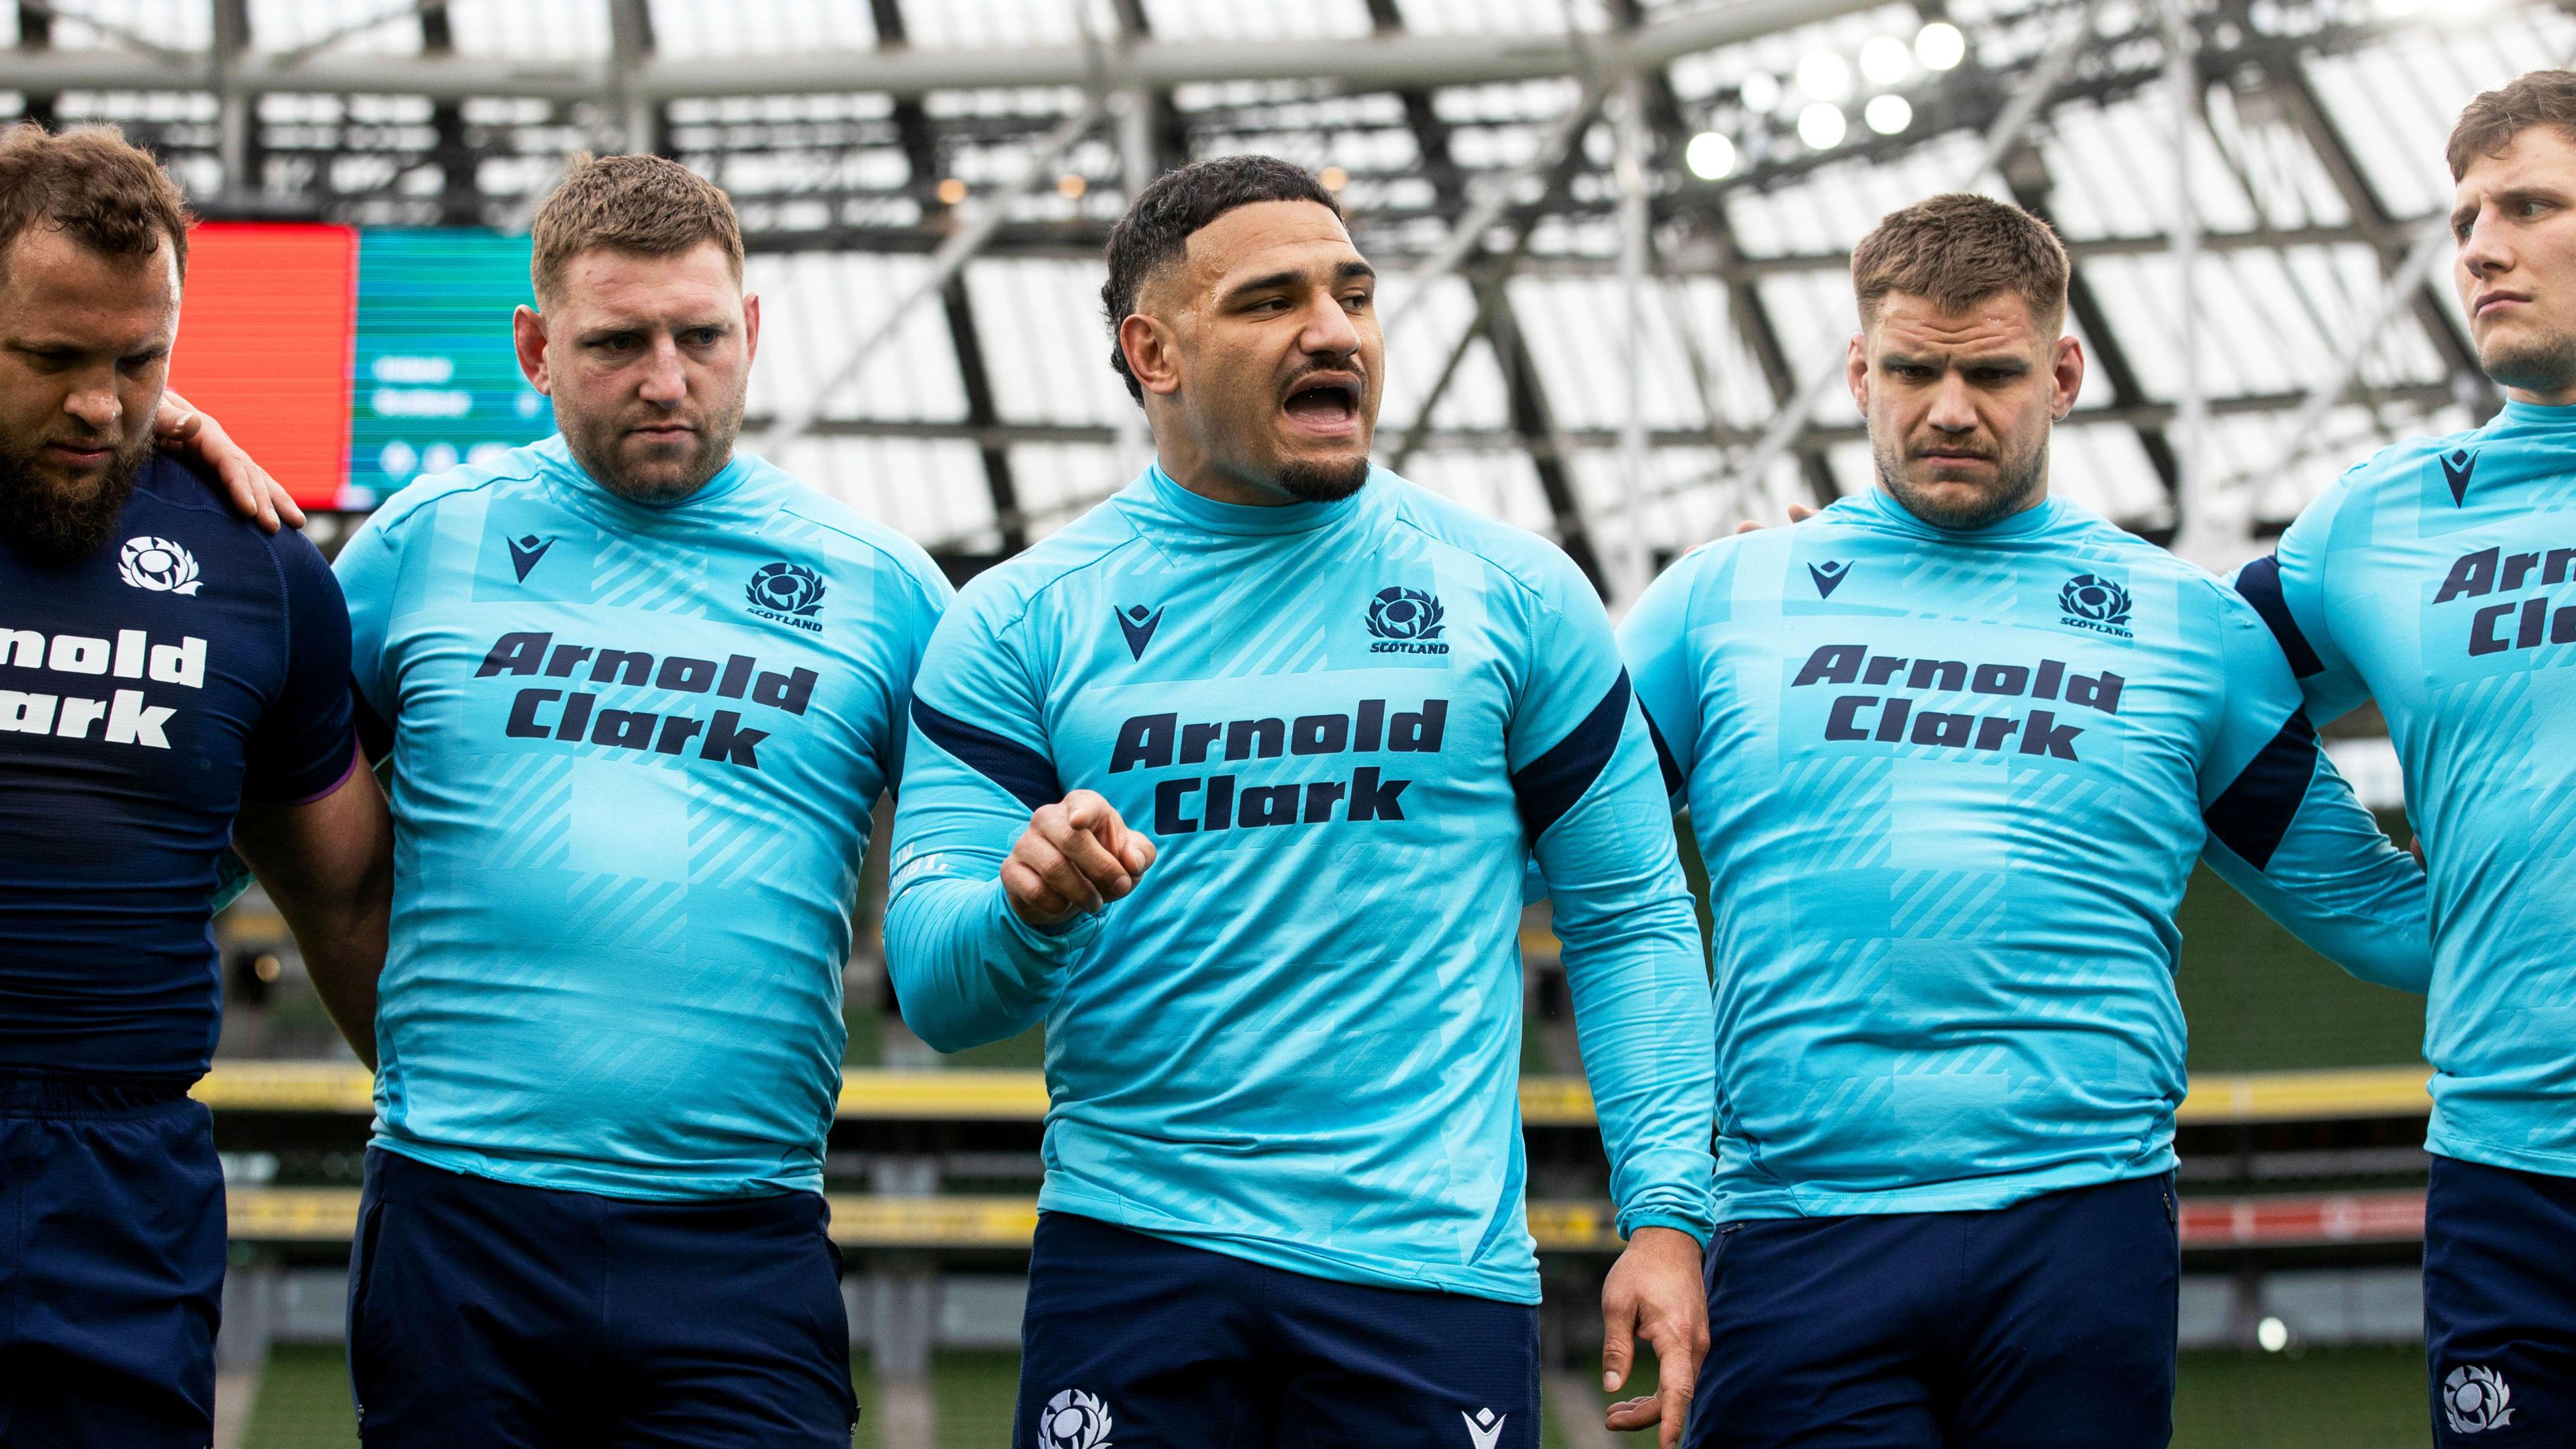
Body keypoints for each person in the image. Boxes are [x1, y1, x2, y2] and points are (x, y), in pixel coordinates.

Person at [885, 155, 1717, 1449]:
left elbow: (1629, 920)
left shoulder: (1520, 597)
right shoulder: (1018, 621)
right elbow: (941, 994)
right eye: (1272, 301)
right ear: (1153, 352)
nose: (1334, 332)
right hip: (1132, 1261)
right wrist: (1023, 911)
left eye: (1354, 294)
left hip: (1428, 1276)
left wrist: (1667, 1216)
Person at [1617, 193, 2432, 1449]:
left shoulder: (2190, 629)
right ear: (1859, 372)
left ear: (2062, 374)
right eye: (1914, 371)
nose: (1950, 408)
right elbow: (1555, 864)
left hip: (2082, 1226)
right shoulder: (1719, 605)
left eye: (1993, 373)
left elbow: (2379, 911)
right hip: (1794, 1227)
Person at [330, 154, 949, 1446]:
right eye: (617, 343)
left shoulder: (881, 587)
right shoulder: (421, 542)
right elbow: (258, 806)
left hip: (742, 1228)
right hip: (458, 1216)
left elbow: (990, 847)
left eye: (700, 336)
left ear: (752, 330)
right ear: (535, 349)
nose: (667, 378)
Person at [0, 123, 391, 1446]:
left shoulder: (258, 567)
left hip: (120, 1197)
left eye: (139, 361)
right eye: (54, 359)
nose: (100, 406)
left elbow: (347, 903)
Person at [2237, 70, 2576, 1446]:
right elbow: (2177, 690)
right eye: (2465, 220)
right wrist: (2378, 911)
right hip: (2508, 1178)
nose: (2482, 248)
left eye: (2530, 206)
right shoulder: (2382, 521)